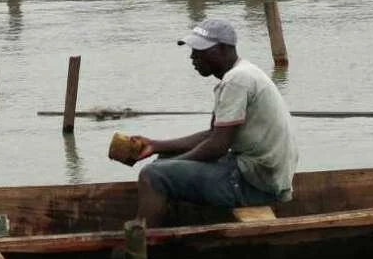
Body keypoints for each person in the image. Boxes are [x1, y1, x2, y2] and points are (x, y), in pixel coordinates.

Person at [121, 17, 297, 227]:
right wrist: (156, 145)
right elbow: (212, 135)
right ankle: (169, 224)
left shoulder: (237, 81)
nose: (193, 57)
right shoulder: (240, 74)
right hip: (257, 173)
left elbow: (217, 147)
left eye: (199, 50)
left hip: (256, 184)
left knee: (153, 175)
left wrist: (172, 165)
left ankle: (141, 245)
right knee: (164, 159)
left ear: (222, 50)